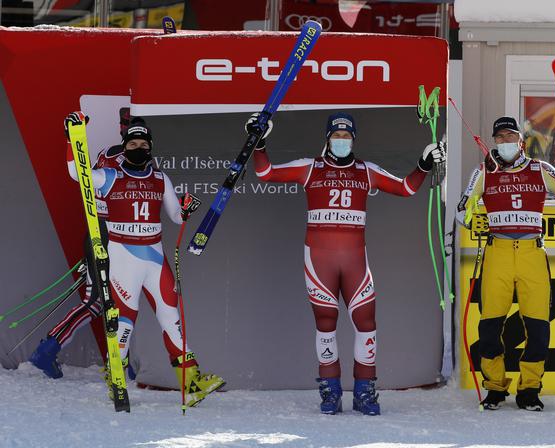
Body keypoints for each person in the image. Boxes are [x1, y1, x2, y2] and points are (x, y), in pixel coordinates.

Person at [251, 112, 446, 415]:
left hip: (355, 262)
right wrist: (259, 142)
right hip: (319, 262)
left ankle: (364, 392)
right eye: (336, 135)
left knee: (366, 323)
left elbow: (406, 188)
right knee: (326, 324)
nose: (341, 141)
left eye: (346, 136)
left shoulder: (365, 170)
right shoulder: (310, 167)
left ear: (353, 139)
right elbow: (265, 174)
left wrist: (423, 164)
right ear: (327, 138)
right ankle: (330, 392)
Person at [62, 112, 224, 407]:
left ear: (151, 147)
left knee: (171, 317)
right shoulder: (110, 175)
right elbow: (77, 173)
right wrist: (72, 138)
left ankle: (191, 383)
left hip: (155, 256)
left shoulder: (160, 178)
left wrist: (185, 209)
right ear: (124, 146)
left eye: (144, 144)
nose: (139, 148)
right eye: (133, 143)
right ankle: (116, 379)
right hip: (124, 257)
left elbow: (176, 215)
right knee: (125, 321)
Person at [456, 116, 555, 411]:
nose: (505, 143)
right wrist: (471, 215)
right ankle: (494, 388)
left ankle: (529, 390)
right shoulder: (483, 171)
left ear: (521, 141)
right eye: (500, 139)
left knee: (538, 327)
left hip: (533, 253)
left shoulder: (540, 168)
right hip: (499, 254)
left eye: (510, 137)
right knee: (490, 326)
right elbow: (462, 212)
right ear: (495, 142)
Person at [30, 109, 142, 379]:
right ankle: (53, 348)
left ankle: (118, 360)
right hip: (115, 234)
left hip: (102, 232)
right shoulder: (130, 160)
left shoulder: (107, 153)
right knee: (102, 301)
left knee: (107, 299)